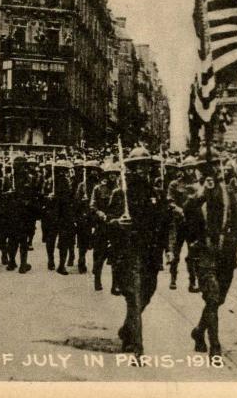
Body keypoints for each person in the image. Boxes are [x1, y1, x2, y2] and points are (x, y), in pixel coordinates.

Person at [110, 147, 173, 358]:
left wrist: (169, 249)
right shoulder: (122, 194)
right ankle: (137, 346)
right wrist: (118, 222)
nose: (142, 170)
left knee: (148, 292)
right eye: (137, 166)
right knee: (135, 297)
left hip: (151, 253)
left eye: (145, 166)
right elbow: (107, 223)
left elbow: (165, 223)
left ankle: (128, 327)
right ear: (131, 169)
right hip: (130, 252)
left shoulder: (156, 194)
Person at [189, 150, 237, 358]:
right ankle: (214, 345)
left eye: (216, 165)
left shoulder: (228, 192)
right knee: (213, 295)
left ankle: (199, 331)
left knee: (218, 299)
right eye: (207, 167)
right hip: (204, 252)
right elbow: (186, 216)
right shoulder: (194, 191)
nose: (213, 170)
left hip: (226, 254)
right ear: (199, 170)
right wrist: (202, 195)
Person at [167, 155, 203, 291]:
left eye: (192, 168)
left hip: (193, 223)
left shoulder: (198, 184)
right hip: (179, 223)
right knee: (175, 252)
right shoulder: (175, 184)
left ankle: (193, 281)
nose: (190, 170)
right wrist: (178, 209)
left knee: (193, 253)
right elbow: (170, 201)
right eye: (187, 168)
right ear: (183, 169)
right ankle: (173, 279)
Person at [90, 160, 120, 292]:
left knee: (116, 257)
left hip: (115, 226)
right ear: (106, 175)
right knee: (99, 255)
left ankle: (115, 285)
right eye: (110, 173)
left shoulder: (121, 190)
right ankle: (97, 280)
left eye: (115, 173)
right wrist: (99, 213)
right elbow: (92, 205)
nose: (112, 176)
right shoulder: (98, 188)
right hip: (102, 226)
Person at [74, 159, 101, 274]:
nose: (93, 173)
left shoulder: (100, 186)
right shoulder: (82, 186)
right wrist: (82, 201)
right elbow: (76, 201)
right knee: (83, 241)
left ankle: (96, 264)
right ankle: (81, 261)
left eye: (95, 171)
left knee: (98, 241)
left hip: (96, 215)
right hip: (84, 216)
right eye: (91, 171)